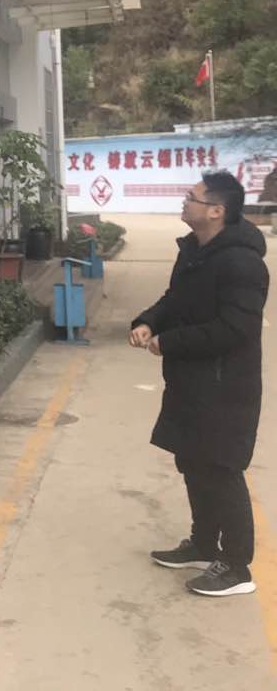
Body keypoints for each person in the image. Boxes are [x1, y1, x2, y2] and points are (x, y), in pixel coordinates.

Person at [132, 170, 268, 597]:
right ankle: (204, 544)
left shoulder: (243, 263)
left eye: (192, 197)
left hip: (225, 387)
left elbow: (235, 329)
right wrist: (149, 321)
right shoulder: (195, 251)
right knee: (192, 461)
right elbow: (176, 299)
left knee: (221, 469)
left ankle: (237, 567)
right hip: (191, 380)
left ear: (216, 211)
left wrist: (169, 341)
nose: (184, 201)